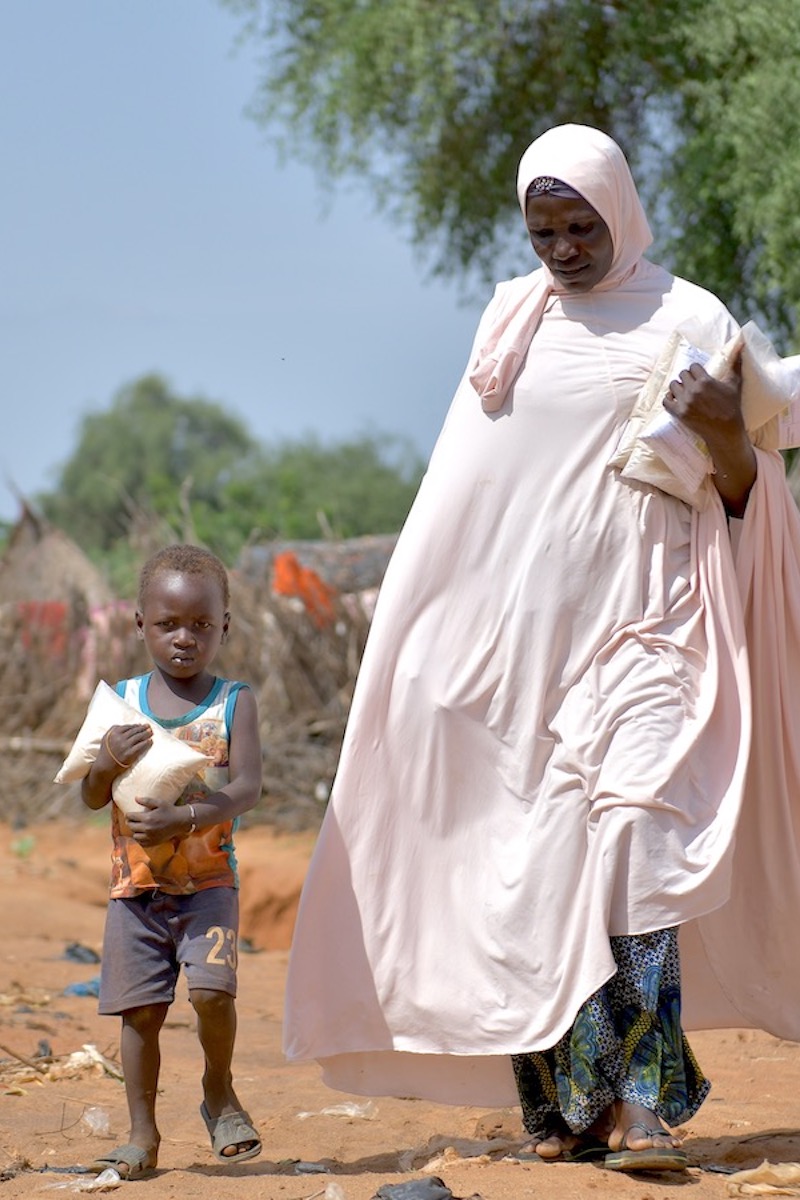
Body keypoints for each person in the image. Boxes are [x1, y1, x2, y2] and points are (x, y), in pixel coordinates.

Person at [284, 124, 800, 1172]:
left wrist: (719, 435)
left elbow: (751, 497)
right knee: (533, 875)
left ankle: (647, 1105)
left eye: (580, 226)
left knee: (639, 853)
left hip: (659, 639)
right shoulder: (511, 326)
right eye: (543, 230)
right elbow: (465, 508)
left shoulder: (690, 316)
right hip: (525, 660)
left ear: (621, 211)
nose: (563, 248)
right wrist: (427, 646)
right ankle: (573, 1109)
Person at [82, 544, 263, 1178]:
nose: (184, 639)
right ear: (139, 624)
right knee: (142, 1013)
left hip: (210, 884)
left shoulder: (233, 701)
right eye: (167, 624)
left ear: (224, 627)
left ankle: (219, 1091)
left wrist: (185, 817)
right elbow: (88, 793)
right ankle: (142, 1133)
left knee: (214, 995)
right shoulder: (121, 705)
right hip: (134, 891)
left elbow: (245, 789)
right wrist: (105, 761)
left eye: (201, 625)